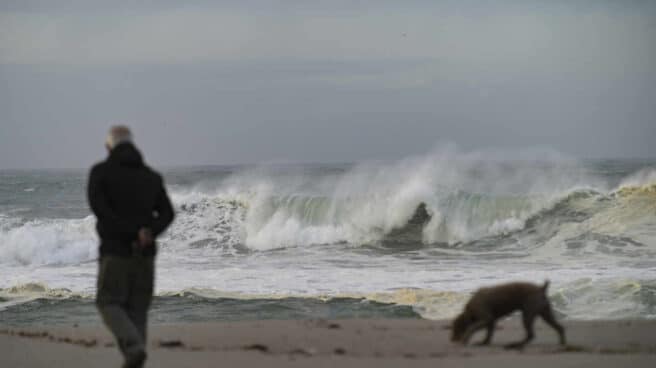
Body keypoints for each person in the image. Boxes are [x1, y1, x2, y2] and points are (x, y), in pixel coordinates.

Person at [88, 126, 174, 368]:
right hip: (145, 255)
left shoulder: (101, 173)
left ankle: (134, 348)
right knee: (137, 311)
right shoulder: (152, 176)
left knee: (108, 302)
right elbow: (167, 213)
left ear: (108, 146)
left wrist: (130, 233)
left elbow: (101, 211)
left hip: (116, 252)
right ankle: (135, 356)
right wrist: (149, 232)